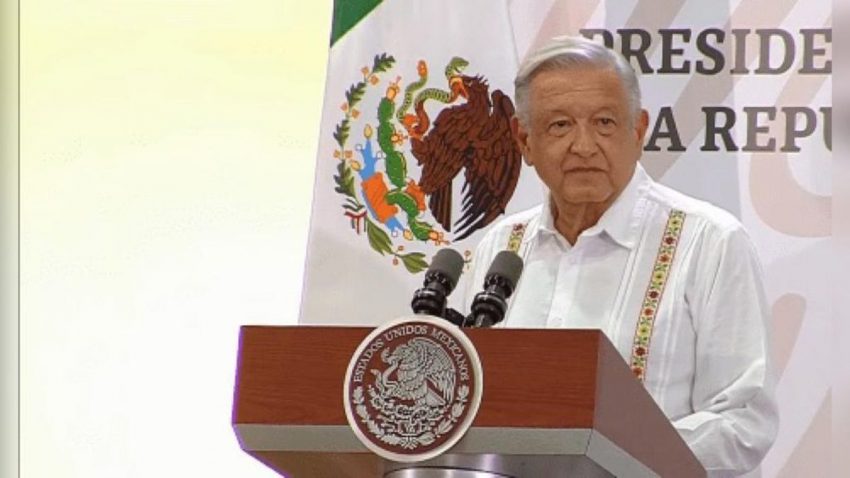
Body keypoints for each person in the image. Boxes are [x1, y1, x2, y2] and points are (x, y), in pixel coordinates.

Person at [464, 35, 778, 477]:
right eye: (560, 126)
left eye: (605, 123)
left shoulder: (709, 242)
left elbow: (744, 420)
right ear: (524, 140)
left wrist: (610, 458)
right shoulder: (501, 246)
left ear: (638, 130)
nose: (584, 145)